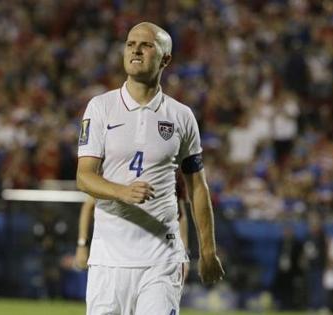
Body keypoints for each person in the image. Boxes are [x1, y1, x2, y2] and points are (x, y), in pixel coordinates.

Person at [76, 21, 224, 315]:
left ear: (165, 59)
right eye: (131, 44)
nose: (135, 50)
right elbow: (84, 176)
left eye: (145, 45)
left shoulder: (181, 116)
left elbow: (197, 187)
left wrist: (207, 250)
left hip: (162, 258)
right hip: (109, 257)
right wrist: (121, 191)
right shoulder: (100, 107)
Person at [75, 172, 190, 281]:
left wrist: (183, 253)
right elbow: (88, 206)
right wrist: (82, 244)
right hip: (116, 254)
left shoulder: (172, 166)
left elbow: (180, 215)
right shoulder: (118, 162)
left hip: (158, 256)